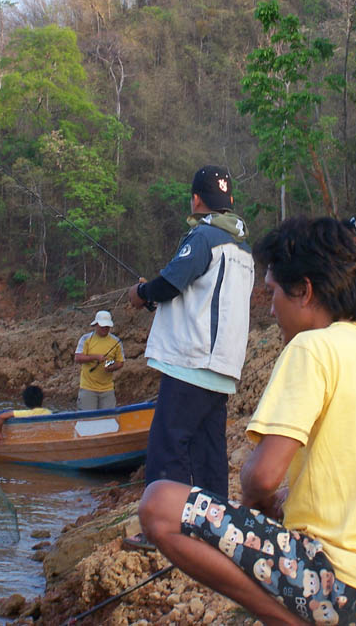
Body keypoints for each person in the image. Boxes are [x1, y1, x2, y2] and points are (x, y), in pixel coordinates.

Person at [137, 216, 356, 625]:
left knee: (160, 504)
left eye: (274, 292)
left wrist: (262, 508)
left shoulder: (312, 347)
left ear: (304, 291)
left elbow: (260, 479)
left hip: (341, 590)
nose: (271, 307)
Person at [128, 165, 254, 507]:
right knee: (208, 451)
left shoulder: (203, 237)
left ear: (196, 199)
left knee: (169, 445)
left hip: (192, 361)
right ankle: (215, 526)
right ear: (228, 201)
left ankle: (164, 522)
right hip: (223, 367)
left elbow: (170, 283)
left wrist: (141, 293)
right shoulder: (244, 248)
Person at [74, 310, 124, 410]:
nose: (105, 328)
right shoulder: (86, 339)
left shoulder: (116, 341)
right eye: (102, 326)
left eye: (107, 326)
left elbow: (120, 362)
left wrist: (112, 367)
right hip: (88, 388)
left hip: (107, 389)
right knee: (87, 420)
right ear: (96, 324)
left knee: (108, 420)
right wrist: (95, 357)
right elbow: (78, 358)